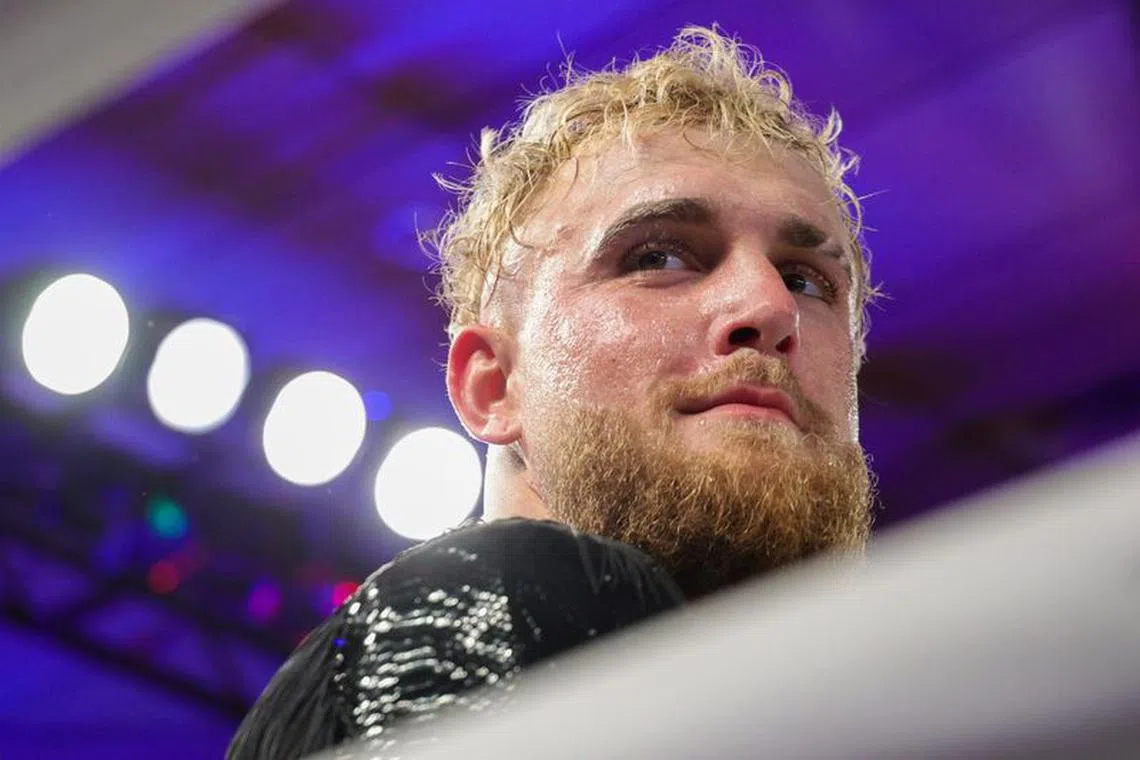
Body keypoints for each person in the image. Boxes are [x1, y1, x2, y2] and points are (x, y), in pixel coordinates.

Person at [227, 24, 880, 759]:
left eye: (806, 279)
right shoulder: (499, 598)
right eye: (658, 255)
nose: (769, 307)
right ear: (494, 385)